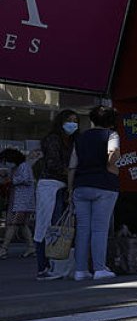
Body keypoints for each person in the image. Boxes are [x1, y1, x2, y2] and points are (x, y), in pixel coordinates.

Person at [68, 105, 121, 281]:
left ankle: (80, 270)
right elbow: (113, 152)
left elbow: (72, 165)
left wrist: (70, 188)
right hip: (104, 185)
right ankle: (99, 268)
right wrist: (110, 166)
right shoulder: (111, 135)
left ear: (92, 119)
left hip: (81, 185)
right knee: (99, 228)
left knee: (82, 229)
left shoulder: (80, 138)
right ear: (111, 122)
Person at [34, 110, 77, 279]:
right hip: (50, 184)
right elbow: (53, 163)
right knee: (46, 224)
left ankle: (56, 264)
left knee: (58, 225)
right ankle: (43, 266)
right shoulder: (53, 139)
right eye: (70, 120)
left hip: (63, 185)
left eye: (75, 121)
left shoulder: (71, 141)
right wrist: (71, 173)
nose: (73, 124)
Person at [0, 148, 36, 259]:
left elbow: (25, 179)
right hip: (18, 201)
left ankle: (4, 248)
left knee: (13, 224)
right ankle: (31, 247)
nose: (6, 163)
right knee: (22, 225)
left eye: (6, 160)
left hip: (22, 202)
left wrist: (10, 179)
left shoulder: (24, 166)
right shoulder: (15, 168)